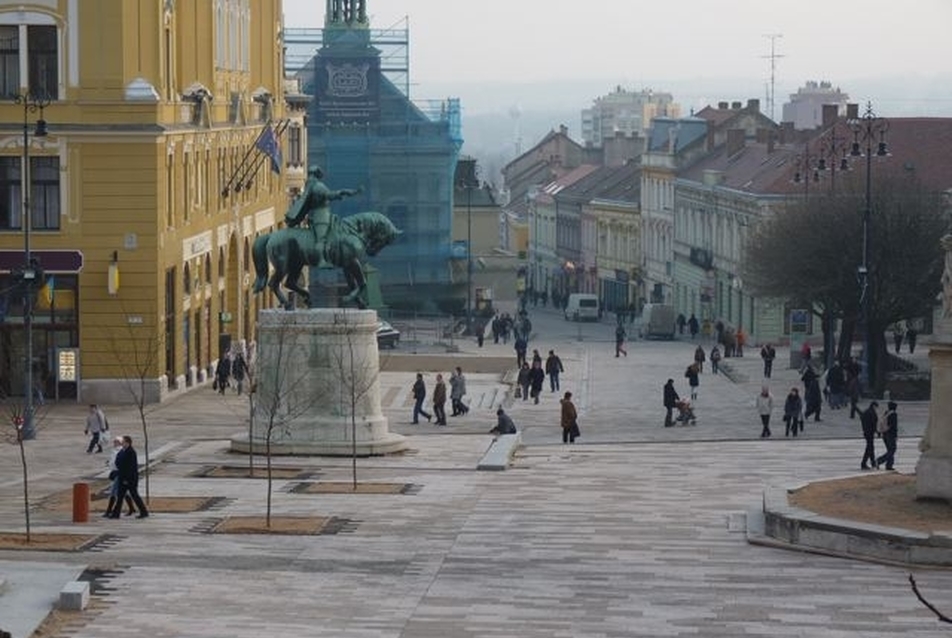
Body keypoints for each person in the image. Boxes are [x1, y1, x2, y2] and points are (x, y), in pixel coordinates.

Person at [284, 165, 361, 268]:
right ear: (317, 174)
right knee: (321, 238)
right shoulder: (317, 186)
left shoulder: (312, 185)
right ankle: (321, 260)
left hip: (324, 214)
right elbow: (329, 195)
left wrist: (344, 192)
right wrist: (342, 192)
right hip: (320, 216)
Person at [107, 435, 149, 519]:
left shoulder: (131, 452)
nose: (122, 443)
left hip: (130, 479)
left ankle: (144, 512)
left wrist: (126, 479)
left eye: (124, 442)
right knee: (120, 496)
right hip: (122, 477)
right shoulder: (122, 451)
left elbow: (130, 467)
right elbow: (118, 461)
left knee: (134, 495)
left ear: (128, 443)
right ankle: (116, 513)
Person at [104, 435, 136, 517]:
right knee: (124, 493)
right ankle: (131, 508)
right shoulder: (115, 451)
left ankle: (109, 511)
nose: (115, 443)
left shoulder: (120, 451)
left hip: (119, 473)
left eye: (117, 442)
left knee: (114, 492)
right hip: (117, 473)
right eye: (114, 441)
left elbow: (118, 463)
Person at [876, 401, 899, 470]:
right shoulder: (894, 414)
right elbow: (893, 426)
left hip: (884, 433)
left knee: (889, 450)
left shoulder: (886, 413)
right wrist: (895, 435)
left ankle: (889, 465)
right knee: (892, 449)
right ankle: (879, 460)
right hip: (891, 434)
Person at [860, 401, 880, 470]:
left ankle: (873, 462)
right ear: (874, 406)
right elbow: (873, 423)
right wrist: (877, 431)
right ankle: (864, 463)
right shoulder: (872, 413)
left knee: (870, 447)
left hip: (866, 432)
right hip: (870, 432)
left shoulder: (866, 412)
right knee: (869, 448)